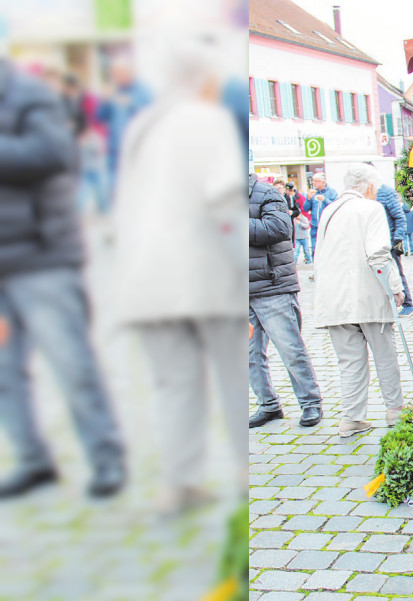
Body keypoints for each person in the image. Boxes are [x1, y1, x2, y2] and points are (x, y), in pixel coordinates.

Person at [110, 41, 247, 512]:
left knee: (173, 382)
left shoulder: (139, 128)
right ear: (203, 80)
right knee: (233, 374)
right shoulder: (206, 120)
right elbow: (225, 206)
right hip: (202, 273)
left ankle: (178, 482)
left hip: (145, 280)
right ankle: (243, 473)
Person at [0, 58, 126, 499]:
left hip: (41, 257)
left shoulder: (28, 94)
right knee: (5, 371)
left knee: (71, 364)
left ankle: (106, 457)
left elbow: (53, 152)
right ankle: (34, 460)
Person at [313, 165, 407, 437]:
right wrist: (396, 288)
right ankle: (395, 410)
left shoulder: (329, 209)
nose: (375, 192)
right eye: (375, 187)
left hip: (336, 300)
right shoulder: (371, 208)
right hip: (368, 295)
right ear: (367, 186)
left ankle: (352, 417)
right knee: (385, 356)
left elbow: (319, 255)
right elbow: (378, 253)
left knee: (350, 361)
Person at [248, 174, 323, 430]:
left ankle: (310, 402)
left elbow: (280, 229)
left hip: (272, 286)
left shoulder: (266, 193)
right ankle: (268, 404)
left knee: (290, 349)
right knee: (249, 355)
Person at [95, 53, 151, 177]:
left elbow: (150, 115)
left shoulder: (144, 90)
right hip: (115, 150)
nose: (115, 77)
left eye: (118, 72)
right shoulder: (114, 89)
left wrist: (131, 104)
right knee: (114, 189)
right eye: (113, 73)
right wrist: (104, 101)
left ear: (130, 71)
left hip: (137, 150)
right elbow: (100, 117)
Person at [376, 183, 413, 317]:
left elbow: (399, 218)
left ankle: (408, 304)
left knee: (396, 272)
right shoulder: (363, 195)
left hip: (390, 241)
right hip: (373, 242)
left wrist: (397, 239)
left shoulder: (386, 192)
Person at [302, 172, 338, 257]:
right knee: (315, 250)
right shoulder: (313, 192)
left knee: (328, 249)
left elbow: (336, 206)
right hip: (315, 226)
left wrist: (324, 199)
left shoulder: (331, 192)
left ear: (323, 182)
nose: (314, 183)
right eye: (313, 181)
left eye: (316, 181)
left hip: (327, 226)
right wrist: (308, 199)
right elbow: (305, 209)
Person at [285, 182, 311, 264]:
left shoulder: (298, 196)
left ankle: (307, 259)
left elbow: (303, 208)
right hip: (294, 219)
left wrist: (301, 216)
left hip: (300, 217)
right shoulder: (287, 197)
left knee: (305, 248)